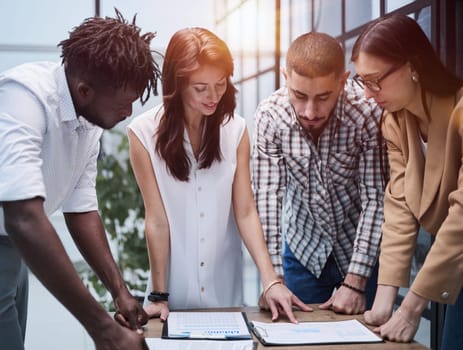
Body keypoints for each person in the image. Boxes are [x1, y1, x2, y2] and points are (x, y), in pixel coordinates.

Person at [0, 9, 161, 350]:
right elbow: (24, 217)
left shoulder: (86, 119)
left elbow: (81, 208)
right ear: (85, 90)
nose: (128, 113)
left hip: (15, 251)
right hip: (12, 236)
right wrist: (104, 330)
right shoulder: (23, 98)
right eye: (125, 103)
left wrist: (119, 292)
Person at [127, 27, 311, 323]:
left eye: (220, 84)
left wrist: (271, 280)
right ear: (178, 83)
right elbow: (157, 218)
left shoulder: (235, 130)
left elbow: (246, 211)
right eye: (201, 88)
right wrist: (159, 296)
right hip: (171, 297)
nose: (213, 96)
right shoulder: (143, 132)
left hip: (225, 292)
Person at [252, 32, 388, 315]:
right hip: (303, 249)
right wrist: (272, 279)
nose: (310, 111)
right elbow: (266, 201)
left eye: (323, 97)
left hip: (362, 246)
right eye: (299, 96)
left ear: (342, 81)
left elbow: (376, 198)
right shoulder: (270, 117)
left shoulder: (366, 113)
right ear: (285, 77)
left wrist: (355, 282)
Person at [351, 14, 463, 348]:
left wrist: (412, 307)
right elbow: (399, 204)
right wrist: (386, 296)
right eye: (362, 82)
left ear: (413, 65)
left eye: (376, 81)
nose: (369, 95)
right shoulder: (395, 121)